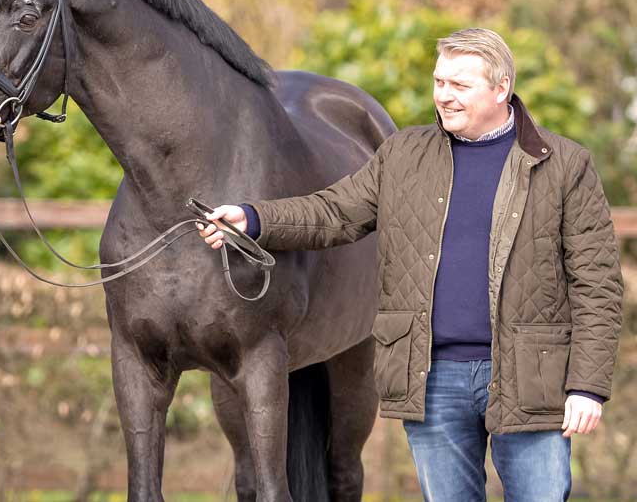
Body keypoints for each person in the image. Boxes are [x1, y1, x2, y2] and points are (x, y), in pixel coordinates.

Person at [198, 28, 623, 501]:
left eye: (460, 85)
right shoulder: (404, 154)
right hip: (434, 378)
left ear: (501, 88)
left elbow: (598, 286)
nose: (444, 96)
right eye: (439, 82)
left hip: (532, 377)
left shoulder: (565, 165)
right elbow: (334, 212)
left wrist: (587, 386)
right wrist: (254, 218)